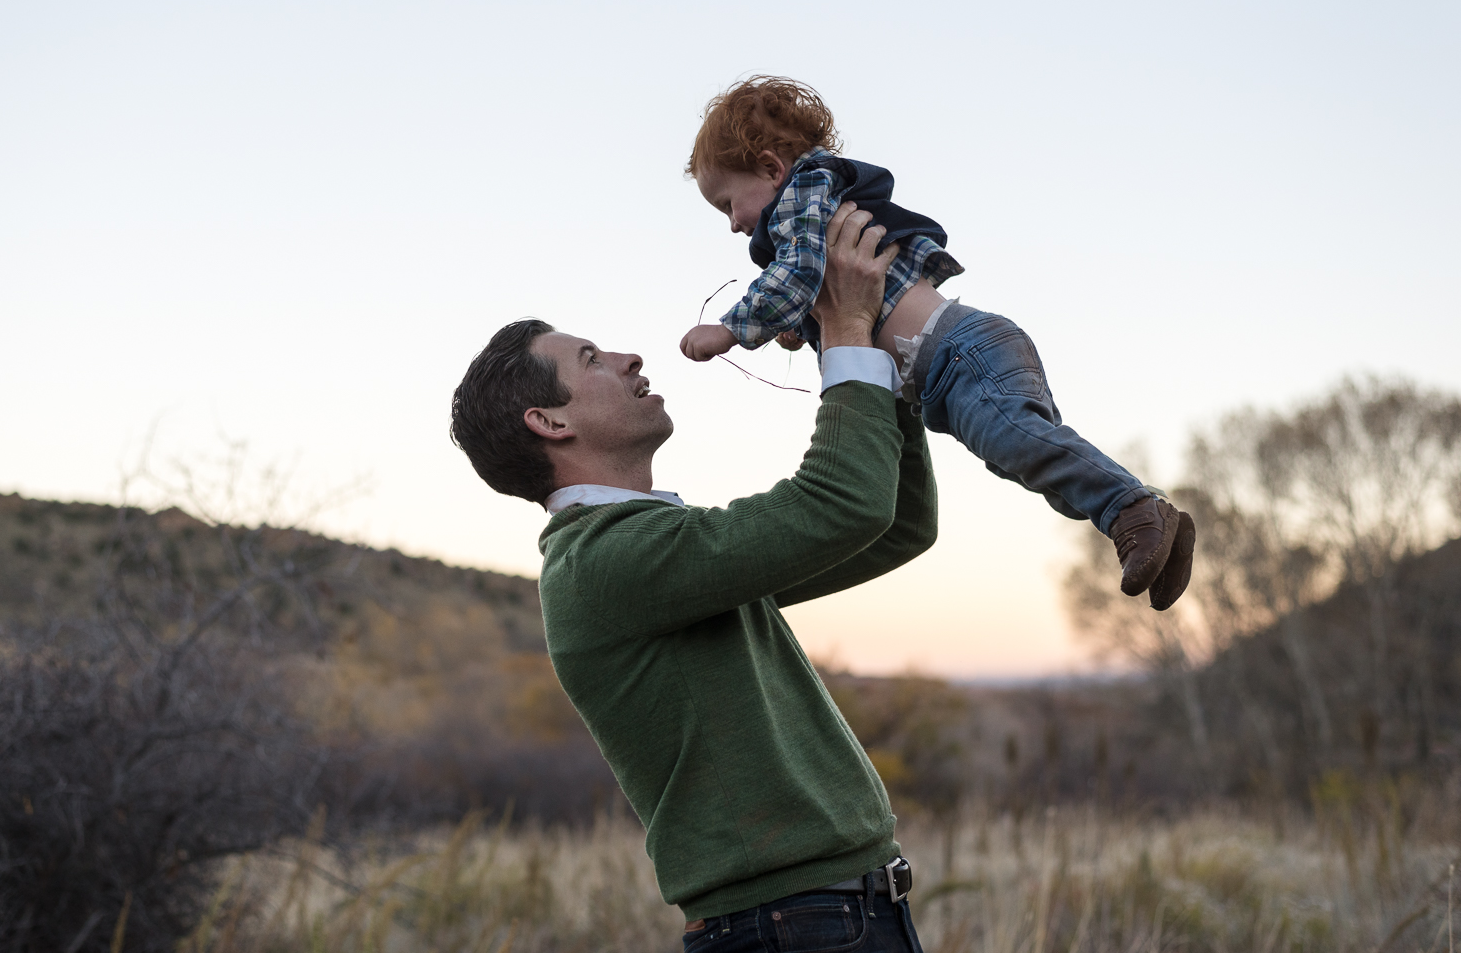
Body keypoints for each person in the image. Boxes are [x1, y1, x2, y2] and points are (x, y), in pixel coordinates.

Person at [451, 206, 937, 951]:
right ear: (549, 422)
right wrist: (846, 328)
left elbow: (895, 522)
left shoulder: (651, 553)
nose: (628, 359)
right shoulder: (608, 562)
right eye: (591, 360)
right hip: (796, 926)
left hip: (822, 917)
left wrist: (861, 342)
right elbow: (843, 504)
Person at [680, 76, 1196, 610]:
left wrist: (730, 329)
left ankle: (1132, 511)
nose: (734, 225)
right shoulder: (814, 202)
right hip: (959, 357)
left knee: (1022, 444)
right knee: (1027, 457)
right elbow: (809, 282)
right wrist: (794, 324)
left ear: (771, 168)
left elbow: (799, 270)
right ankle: (1152, 530)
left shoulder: (802, 194)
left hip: (957, 352)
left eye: (728, 204)